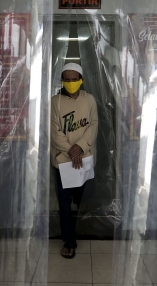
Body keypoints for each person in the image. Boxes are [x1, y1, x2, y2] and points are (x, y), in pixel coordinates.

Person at [50, 63, 98, 259]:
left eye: (74, 79)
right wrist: (71, 150)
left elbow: (93, 125)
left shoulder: (90, 100)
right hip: (63, 161)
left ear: (81, 80)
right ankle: (69, 241)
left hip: (84, 160)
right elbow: (54, 131)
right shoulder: (55, 101)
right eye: (66, 80)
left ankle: (83, 230)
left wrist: (80, 147)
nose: (70, 83)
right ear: (62, 81)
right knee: (64, 203)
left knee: (83, 200)